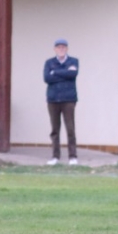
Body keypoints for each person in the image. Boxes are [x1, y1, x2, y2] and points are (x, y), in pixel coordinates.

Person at [44, 38, 79, 166]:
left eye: (63, 47)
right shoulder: (49, 62)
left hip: (69, 99)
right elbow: (47, 78)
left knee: (70, 129)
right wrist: (65, 73)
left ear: (67, 48)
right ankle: (55, 156)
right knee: (55, 129)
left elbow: (73, 75)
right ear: (55, 49)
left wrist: (55, 72)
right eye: (59, 47)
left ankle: (73, 156)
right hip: (53, 99)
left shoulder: (73, 61)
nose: (61, 49)